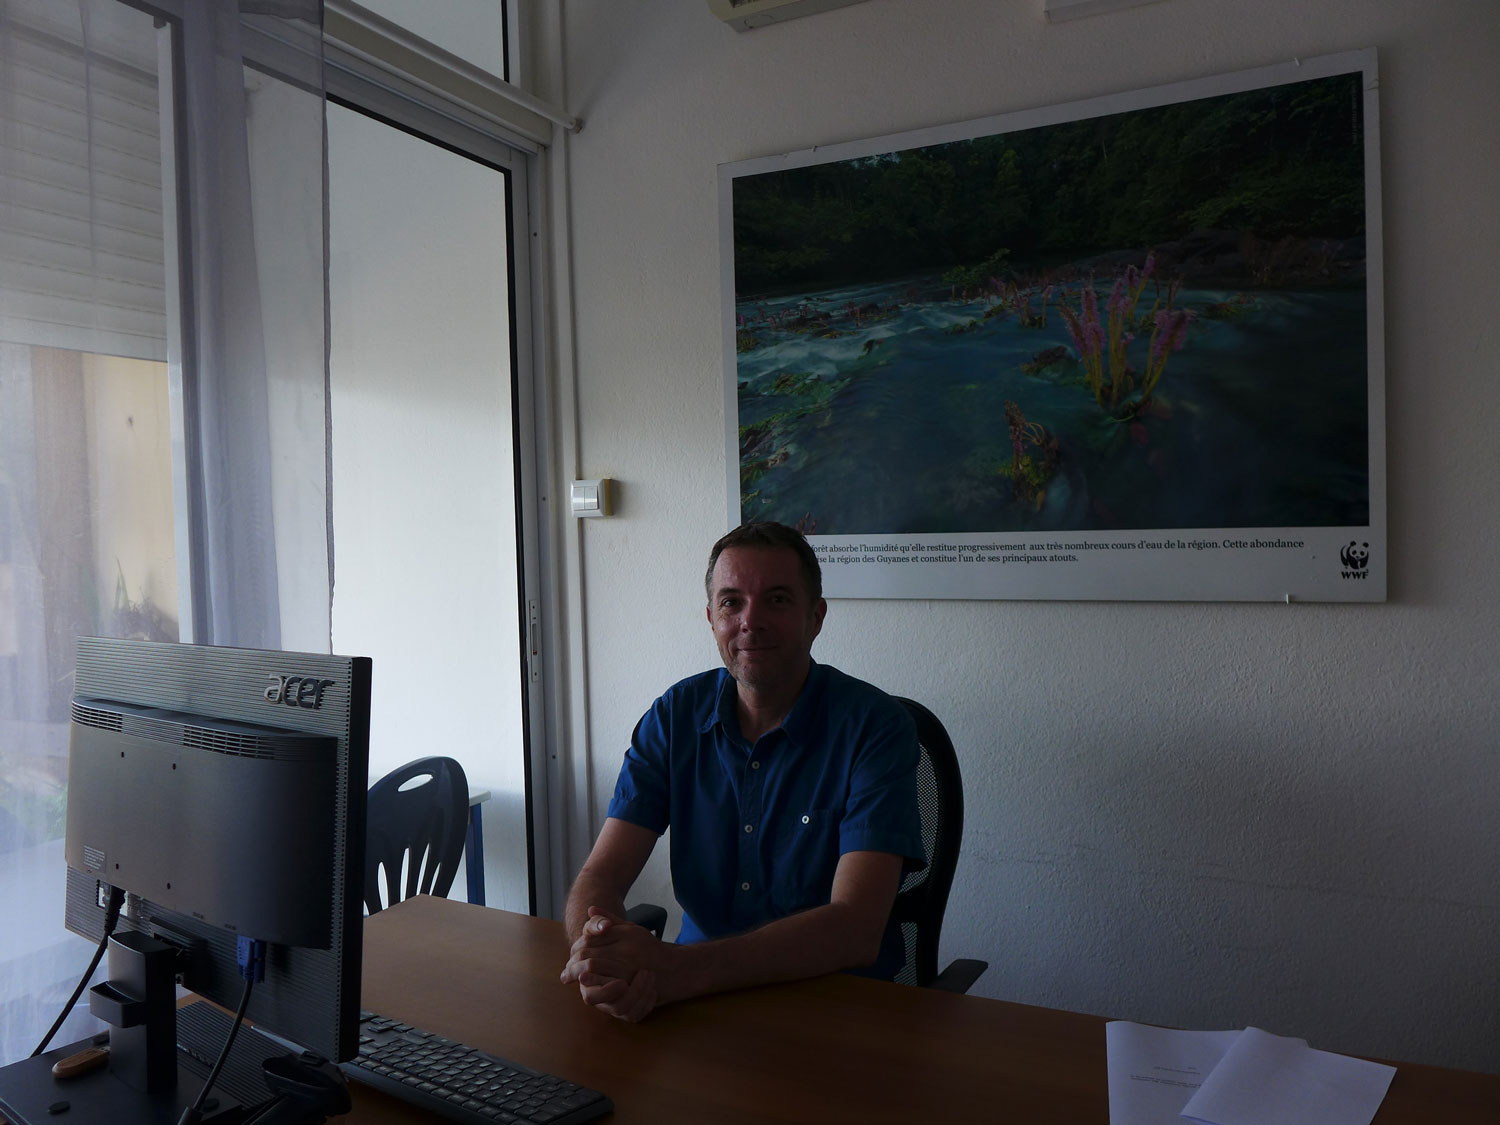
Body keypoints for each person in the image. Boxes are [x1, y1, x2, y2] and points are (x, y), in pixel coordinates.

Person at [559, 521, 923, 1022]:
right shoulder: (673, 718)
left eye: (776, 599)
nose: (751, 621)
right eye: (732, 602)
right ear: (711, 618)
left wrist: (679, 971)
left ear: (815, 617)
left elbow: (855, 927)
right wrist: (597, 956)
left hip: (835, 1010)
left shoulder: (876, 729)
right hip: (692, 1004)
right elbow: (599, 876)